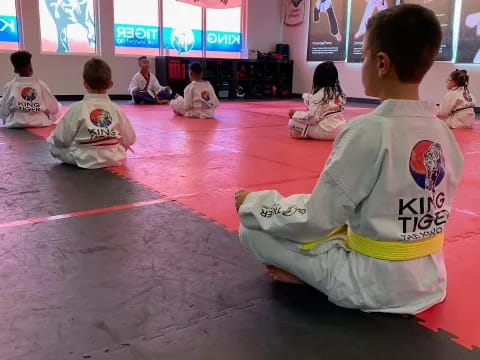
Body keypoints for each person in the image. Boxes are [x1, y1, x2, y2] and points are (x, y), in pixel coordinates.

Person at [235, 4, 464, 314]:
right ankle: (311, 270)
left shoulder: (367, 131)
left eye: (365, 54)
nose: (363, 62)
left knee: (251, 229)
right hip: (429, 280)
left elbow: (315, 220)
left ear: (382, 63)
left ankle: (310, 277)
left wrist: (256, 202)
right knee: (318, 204)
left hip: (368, 284)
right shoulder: (443, 133)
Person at [48, 58, 136, 169]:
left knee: (53, 145)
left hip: (84, 158)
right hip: (114, 157)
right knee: (122, 143)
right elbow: (130, 139)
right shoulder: (116, 108)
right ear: (110, 84)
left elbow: (61, 139)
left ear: (85, 84)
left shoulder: (77, 108)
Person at [0, 51, 61, 128]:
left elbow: (4, 111)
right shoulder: (41, 85)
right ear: (30, 66)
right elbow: (54, 108)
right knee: (58, 105)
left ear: (15, 69)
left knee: (2, 103)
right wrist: (45, 112)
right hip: (39, 121)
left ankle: (9, 122)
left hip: (16, 122)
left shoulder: (9, 86)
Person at [288, 61, 346, 140]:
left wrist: (295, 114)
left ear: (317, 78)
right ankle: (306, 133)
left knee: (292, 122)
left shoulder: (319, 95)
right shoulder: (341, 93)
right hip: (341, 130)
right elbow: (329, 107)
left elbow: (312, 119)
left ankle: (304, 134)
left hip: (326, 131)